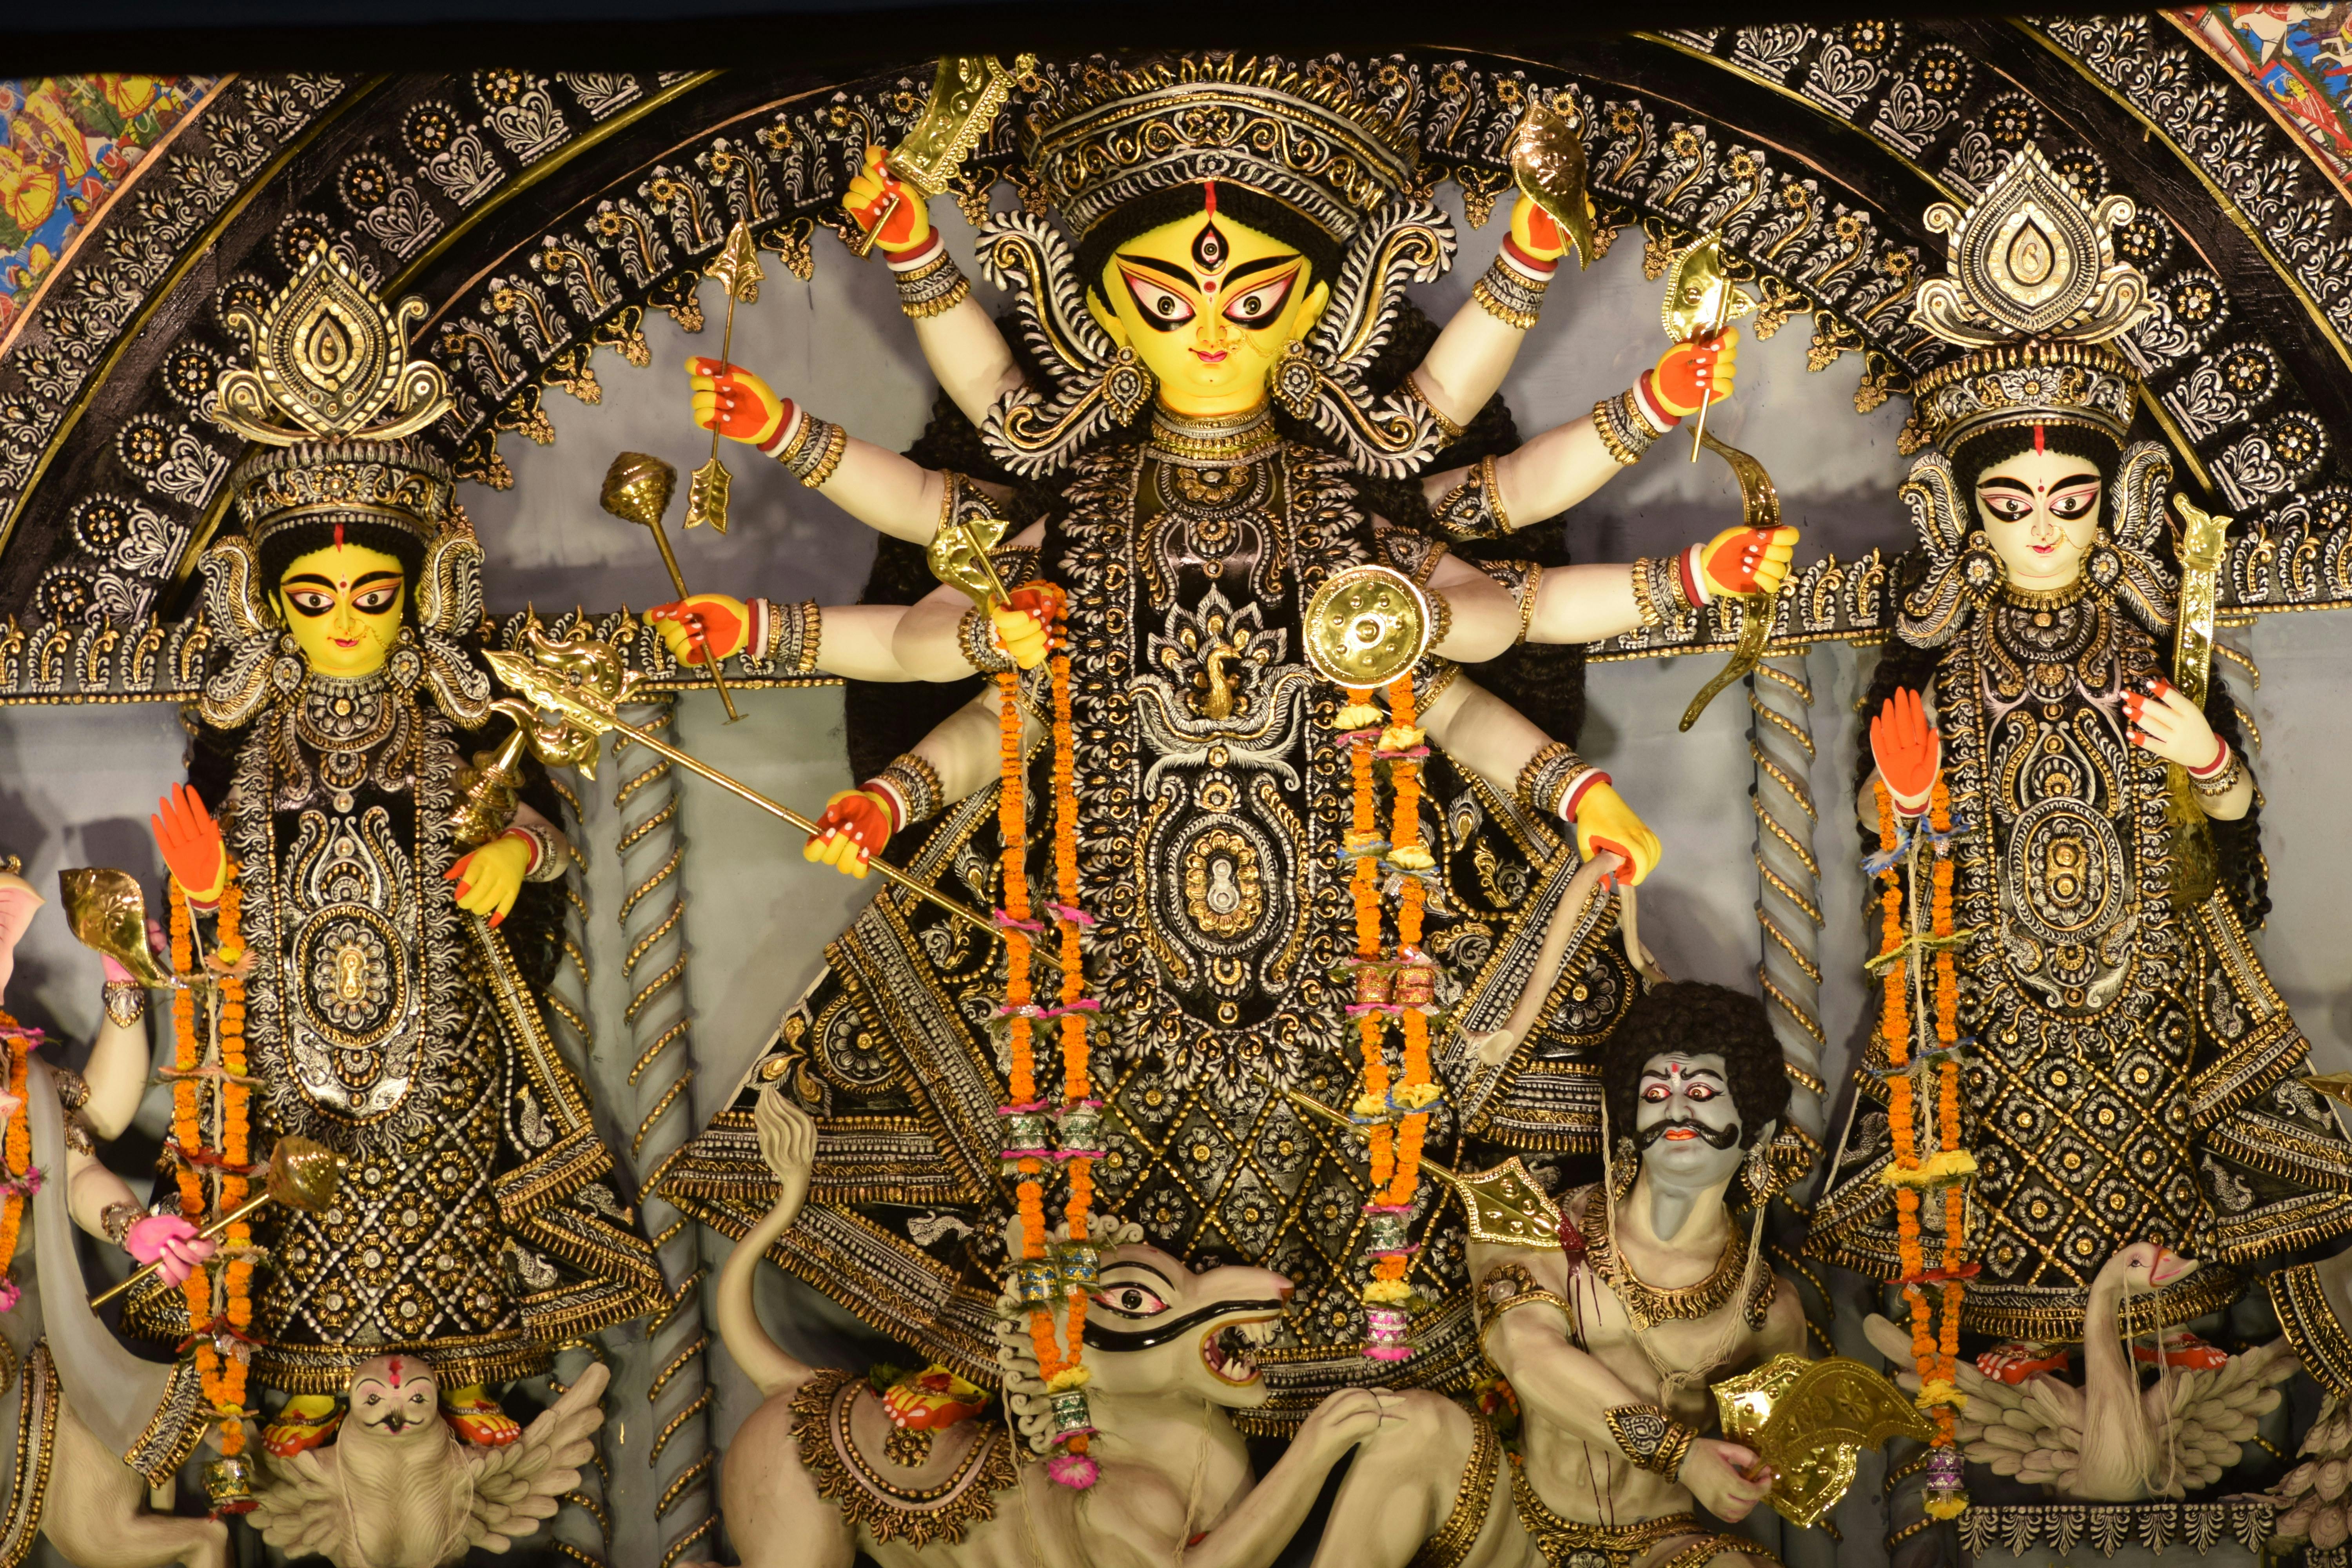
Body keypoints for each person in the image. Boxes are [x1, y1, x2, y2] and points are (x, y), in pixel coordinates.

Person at [655, 56, 1797, 1417]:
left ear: (1316, 309)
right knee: (1019, 1125)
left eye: (1249, 299)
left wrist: (1616, 719)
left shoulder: (1344, 505)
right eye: (1165, 296)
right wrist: (868, 768)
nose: (1207, 326)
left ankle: (1414, 1380)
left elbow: (1481, 634)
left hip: (1345, 926)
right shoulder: (1076, 515)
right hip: (1098, 937)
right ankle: (1008, 1370)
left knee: (1437, 1118)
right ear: (1106, 316)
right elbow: (955, 651)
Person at [1808, 147, 2352, 1380]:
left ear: (2118, 503)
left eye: (2070, 498)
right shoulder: (1941, 656)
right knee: (2003, 1133)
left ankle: (2165, 1322)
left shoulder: (2152, 637)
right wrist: (1899, 798)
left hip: (2148, 953)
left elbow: (2232, 805)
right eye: (2010, 502)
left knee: (2160, 1124)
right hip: (1999, 968)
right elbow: (1883, 819)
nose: (2044, 525)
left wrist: (2204, 751)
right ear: (1963, 512)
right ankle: (2030, 1331)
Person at [129, 243, 664, 1459]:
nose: (346, 620)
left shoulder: (450, 703)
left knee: (444, 1165)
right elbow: (204, 861)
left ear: (419, 592)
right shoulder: (244, 728)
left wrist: (517, 857)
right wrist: (205, 894)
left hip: (442, 1000)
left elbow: (539, 815)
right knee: (308, 1182)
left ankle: (466, 1360)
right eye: (314, 600)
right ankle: (312, 1374)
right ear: (268, 605)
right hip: (290, 1002)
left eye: (373, 594)